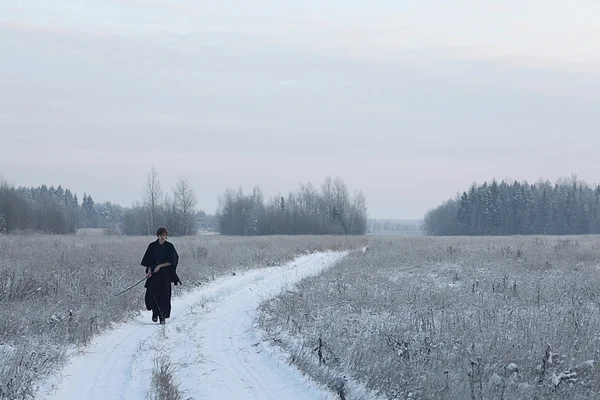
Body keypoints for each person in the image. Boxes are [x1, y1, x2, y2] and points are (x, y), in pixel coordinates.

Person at [140, 227, 181, 324]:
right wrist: (149, 271)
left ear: (166, 236)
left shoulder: (169, 246)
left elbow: (173, 261)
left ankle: (162, 316)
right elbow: (148, 261)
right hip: (154, 274)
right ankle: (155, 313)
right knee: (153, 294)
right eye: (160, 235)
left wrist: (160, 266)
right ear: (157, 236)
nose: (162, 237)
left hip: (165, 274)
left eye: (164, 235)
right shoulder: (152, 246)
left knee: (164, 295)